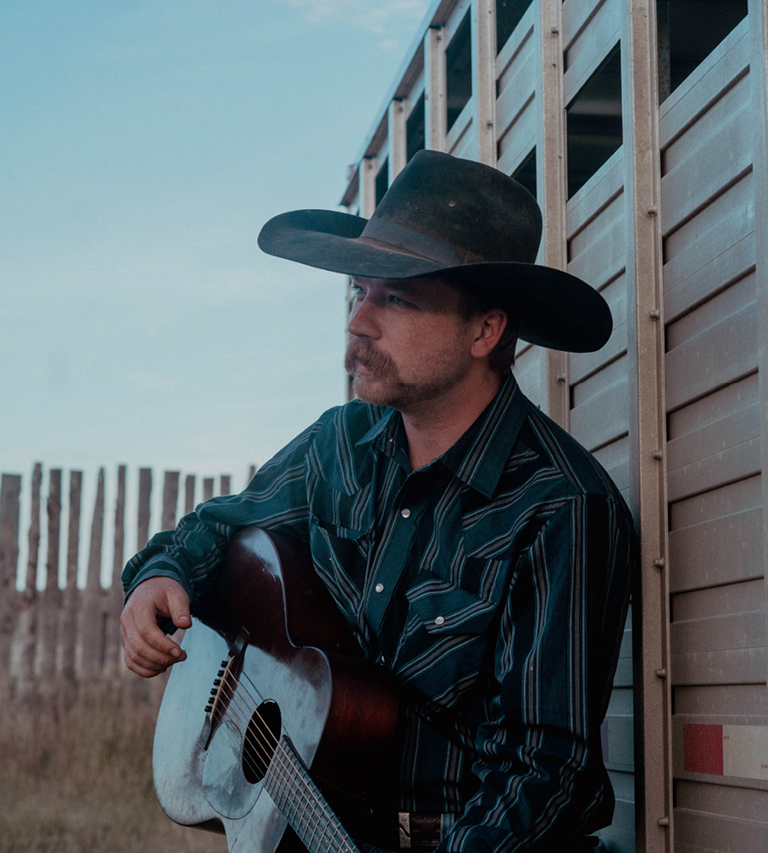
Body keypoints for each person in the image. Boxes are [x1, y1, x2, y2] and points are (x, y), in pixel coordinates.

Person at [121, 150, 635, 853]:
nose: (358, 321)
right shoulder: (340, 443)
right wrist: (159, 578)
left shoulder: (560, 508)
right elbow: (219, 528)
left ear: (485, 331)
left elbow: (545, 776)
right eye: (359, 291)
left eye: (395, 298)